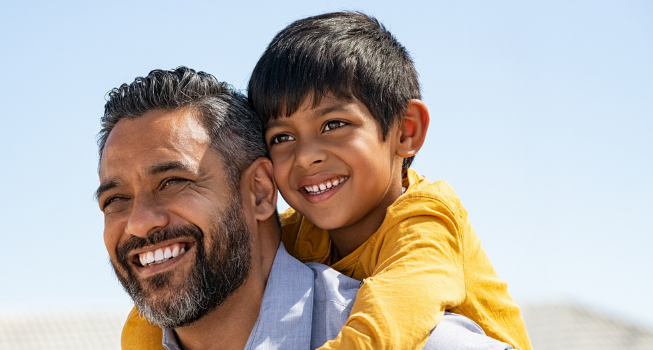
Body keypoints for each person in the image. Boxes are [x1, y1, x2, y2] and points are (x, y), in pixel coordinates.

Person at [99, 67, 513, 349]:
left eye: (173, 182)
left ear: (261, 192)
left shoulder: (425, 336)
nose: (138, 223)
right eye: (115, 200)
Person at [246, 11, 533, 350]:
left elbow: (385, 325)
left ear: (406, 130)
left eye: (334, 124)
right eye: (281, 137)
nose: (306, 155)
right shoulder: (295, 232)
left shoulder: (426, 221)